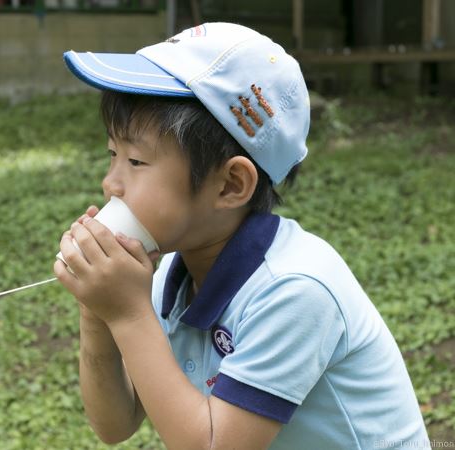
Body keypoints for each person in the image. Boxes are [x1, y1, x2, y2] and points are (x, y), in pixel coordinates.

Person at [53, 23, 429, 450]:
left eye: (136, 161)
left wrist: (128, 315)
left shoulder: (294, 290)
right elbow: (115, 425)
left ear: (231, 185)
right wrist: (97, 311)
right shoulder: (164, 281)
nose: (110, 184)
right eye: (113, 155)